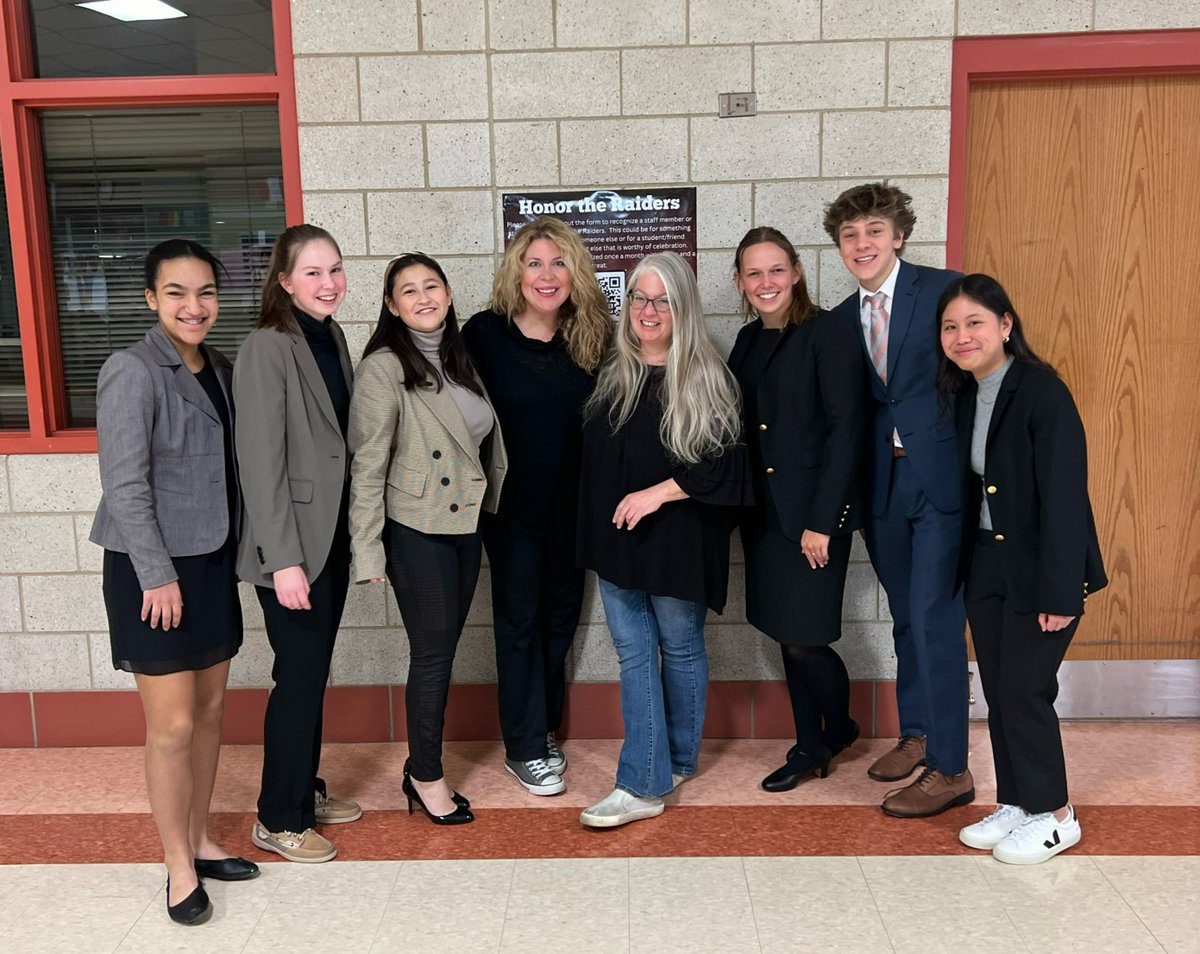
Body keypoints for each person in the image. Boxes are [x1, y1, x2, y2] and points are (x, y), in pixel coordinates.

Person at [91, 239, 258, 925]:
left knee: (213, 714)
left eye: (206, 293)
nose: (194, 306)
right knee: (173, 726)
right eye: (178, 293)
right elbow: (124, 484)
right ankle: (177, 866)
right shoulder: (131, 369)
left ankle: (199, 836)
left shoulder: (218, 365)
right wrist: (156, 576)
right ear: (150, 298)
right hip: (149, 567)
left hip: (210, 560)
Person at [577, 251, 752, 828]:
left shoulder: (707, 376)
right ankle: (651, 775)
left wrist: (658, 493)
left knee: (679, 649)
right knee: (634, 656)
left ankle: (662, 769)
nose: (648, 311)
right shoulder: (612, 371)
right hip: (618, 542)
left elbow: (724, 467)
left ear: (683, 308)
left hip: (679, 539)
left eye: (662, 300)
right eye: (638, 298)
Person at [937, 273, 1106, 864]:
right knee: (999, 689)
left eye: (975, 323)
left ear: (1006, 325)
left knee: (1024, 690)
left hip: (1042, 570)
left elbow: (1064, 497)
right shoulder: (966, 392)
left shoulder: (1040, 391)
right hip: (988, 561)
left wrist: (1062, 591)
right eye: (951, 326)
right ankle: (1019, 802)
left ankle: (1057, 814)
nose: (962, 336)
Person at [823, 182, 973, 818]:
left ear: (899, 235)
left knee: (937, 619)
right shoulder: (837, 319)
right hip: (880, 489)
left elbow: (984, 371)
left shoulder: (946, 290)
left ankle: (952, 767)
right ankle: (918, 734)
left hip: (939, 480)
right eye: (850, 235)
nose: (863, 244)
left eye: (874, 232)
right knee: (907, 617)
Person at [348, 252, 507, 825]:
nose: (423, 298)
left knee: (443, 651)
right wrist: (367, 548)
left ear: (447, 293)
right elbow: (366, 465)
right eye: (408, 291)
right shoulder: (383, 367)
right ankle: (426, 774)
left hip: (465, 522)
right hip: (416, 527)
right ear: (391, 306)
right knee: (434, 655)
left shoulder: (460, 357)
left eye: (431, 286)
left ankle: (423, 767)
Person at [462, 216, 612, 796]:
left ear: (574, 273)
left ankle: (543, 730)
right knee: (519, 623)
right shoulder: (483, 335)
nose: (546, 276)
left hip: (575, 513)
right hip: (510, 512)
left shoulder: (594, 336)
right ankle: (523, 747)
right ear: (515, 272)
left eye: (558, 264)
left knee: (558, 622)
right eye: (534, 263)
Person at [234, 224, 360, 863]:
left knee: (312, 675)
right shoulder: (266, 346)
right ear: (283, 281)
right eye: (312, 272)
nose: (328, 283)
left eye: (335, 269)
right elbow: (260, 462)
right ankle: (277, 818)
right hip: (291, 550)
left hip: (328, 537)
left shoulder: (329, 335)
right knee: (299, 677)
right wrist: (283, 559)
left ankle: (303, 792)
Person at [728, 227, 865, 792]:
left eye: (776, 270)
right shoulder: (745, 340)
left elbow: (847, 432)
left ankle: (838, 727)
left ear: (797, 272)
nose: (766, 283)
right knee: (786, 634)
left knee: (807, 640)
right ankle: (811, 744)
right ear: (738, 280)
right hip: (763, 517)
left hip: (812, 520)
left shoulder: (827, 332)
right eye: (754, 273)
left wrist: (822, 521)